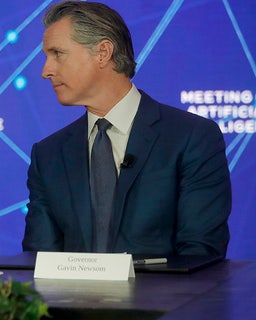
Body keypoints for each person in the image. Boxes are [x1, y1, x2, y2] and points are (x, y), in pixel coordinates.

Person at [22, 1, 231, 256]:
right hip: (71, 297)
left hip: (163, 297)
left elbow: (201, 252)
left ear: (103, 52)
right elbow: (40, 259)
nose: (46, 71)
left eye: (58, 54)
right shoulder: (48, 155)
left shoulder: (191, 138)